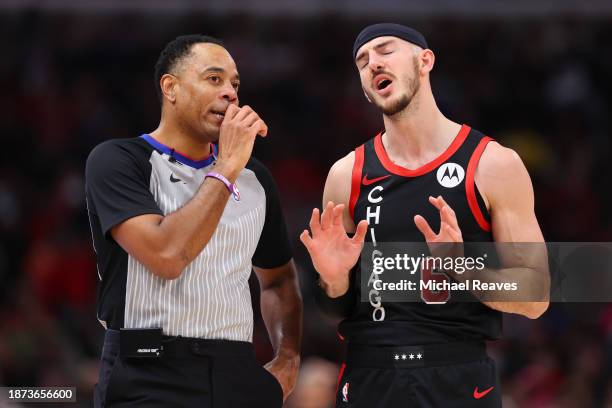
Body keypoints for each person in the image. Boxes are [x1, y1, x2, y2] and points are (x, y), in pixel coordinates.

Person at [300, 23, 550, 407]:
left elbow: (535, 296)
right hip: (371, 374)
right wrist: (333, 282)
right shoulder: (345, 174)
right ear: (365, 90)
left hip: (459, 375)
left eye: (385, 51)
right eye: (362, 61)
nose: (373, 64)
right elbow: (337, 309)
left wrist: (462, 270)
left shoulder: (493, 164)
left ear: (424, 60)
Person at [85, 34, 302, 408]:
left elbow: (279, 279)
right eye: (214, 79)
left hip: (236, 370)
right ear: (170, 88)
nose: (231, 94)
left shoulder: (256, 179)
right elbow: (167, 255)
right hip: (148, 372)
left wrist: (288, 358)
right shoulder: (118, 161)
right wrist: (227, 167)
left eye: (235, 84)